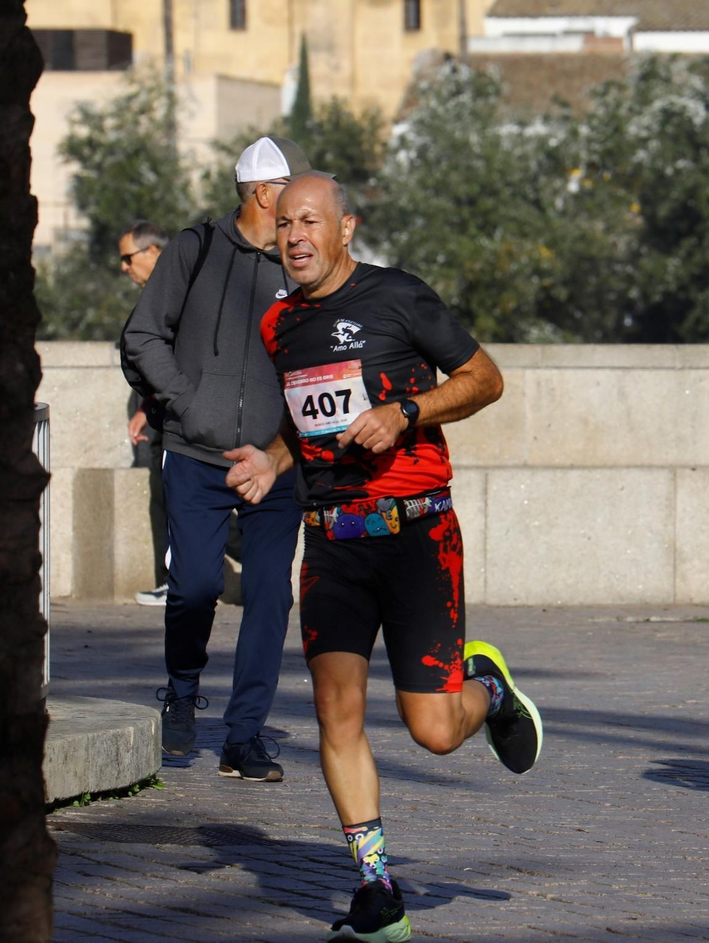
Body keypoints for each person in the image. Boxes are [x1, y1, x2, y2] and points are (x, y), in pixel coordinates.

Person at [224, 173, 543, 941]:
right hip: (331, 540)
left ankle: (489, 691)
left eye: (310, 222)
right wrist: (273, 461)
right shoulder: (277, 327)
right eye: (284, 223)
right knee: (337, 713)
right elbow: (301, 428)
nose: (295, 235)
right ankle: (376, 887)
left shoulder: (399, 296)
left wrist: (407, 412)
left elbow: (484, 379)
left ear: (346, 230)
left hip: (417, 535)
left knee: (432, 729)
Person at [121, 136, 310, 780]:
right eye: (288, 190)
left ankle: (244, 736)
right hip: (196, 454)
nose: (299, 207)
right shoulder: (192, 249)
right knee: (196, 584)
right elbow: (142, 334)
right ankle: (180, 690)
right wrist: (185, 402)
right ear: (262, 193)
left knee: (268, 595)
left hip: (276, 464)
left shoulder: (302, 263)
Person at [119, 220, 172, 605]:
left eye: (128, 257)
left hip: (174, 413)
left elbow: (167, 356)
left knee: (176, 495)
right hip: (159, 409)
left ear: (152, 251)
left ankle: (174, 580)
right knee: (164, 494)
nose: (124, 266)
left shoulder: (175, 289)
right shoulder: (159, 291)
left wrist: (148, 405)